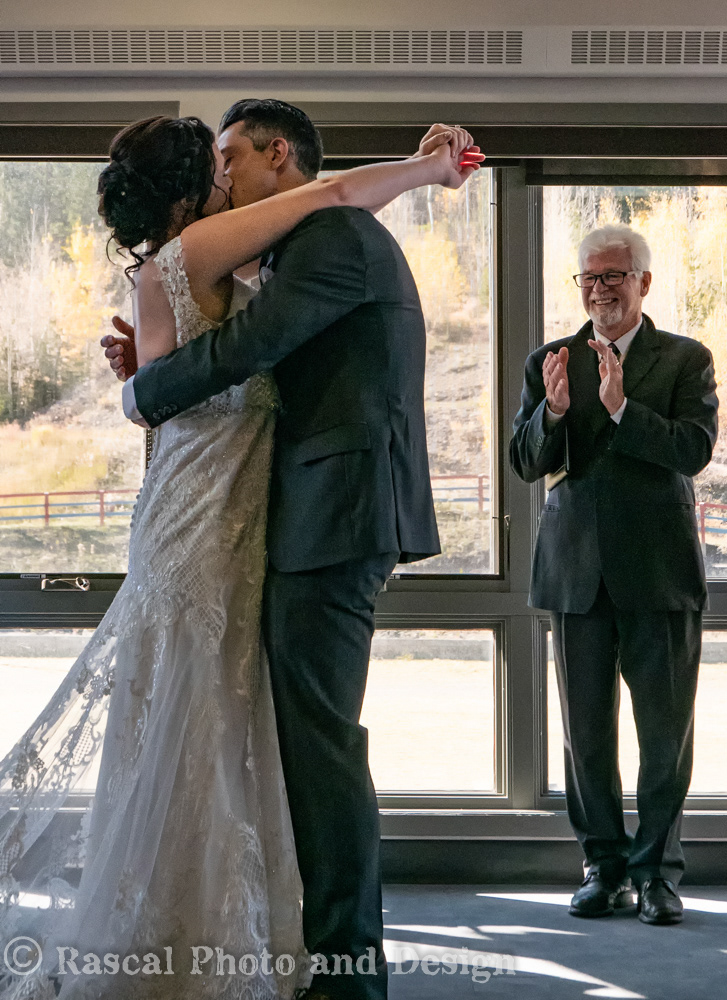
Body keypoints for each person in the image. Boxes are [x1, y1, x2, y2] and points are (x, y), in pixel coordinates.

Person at [0, 107, 481, 1000]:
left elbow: (257, 341)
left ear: (274, 154)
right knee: (233, 723)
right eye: (214, 166)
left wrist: (145, 385)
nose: (227, 177)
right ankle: (279, 947)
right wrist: (147, 384)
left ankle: (323, 964)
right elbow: (251, 352)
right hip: (232, 513)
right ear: (196, 185)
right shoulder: (236, 254)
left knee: (283, 736)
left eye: (234, 157)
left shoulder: (317, 236)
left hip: (303, 517)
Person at [509, 224, 719, 926]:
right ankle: (601, 866)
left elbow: (692, 450)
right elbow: (524, 460)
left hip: (658, 574)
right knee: (586, 736)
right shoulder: (551, 358)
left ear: (643, 283)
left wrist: (622, 408)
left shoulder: (685, 359)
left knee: (664, 736)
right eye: (589, 278)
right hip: (573, 574)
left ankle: (656, 874)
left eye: (614, 276)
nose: (600, 289)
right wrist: (556, 410)